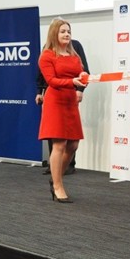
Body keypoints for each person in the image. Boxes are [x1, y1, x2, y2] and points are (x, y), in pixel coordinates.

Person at [38, 18, 87, 203]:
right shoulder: (47, 55)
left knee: (73, 145)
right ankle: (58, 186)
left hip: (70, 101)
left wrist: (83, 77)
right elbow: (51, 81)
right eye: (63, 31)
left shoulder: (74, 54)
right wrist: (72, 81)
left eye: (68, 31)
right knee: (59, 145)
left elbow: (81, 74)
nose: (67, 34)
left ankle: (55, 177)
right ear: (54, 34)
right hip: (55, 101)